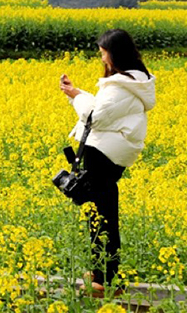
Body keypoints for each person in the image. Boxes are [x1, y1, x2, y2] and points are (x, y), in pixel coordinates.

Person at [59, 29, 156, 297]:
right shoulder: (129, 83)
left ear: (115, 53)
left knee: (102, 218)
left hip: (103, 156)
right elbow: (104, 111)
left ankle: (105, 279)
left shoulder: (122, 86)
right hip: (107, 154)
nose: (101, 57)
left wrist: (77, 97)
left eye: (103, 53)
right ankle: (102, 270)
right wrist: (77, 93)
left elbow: (95, 117)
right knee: (99, 213)